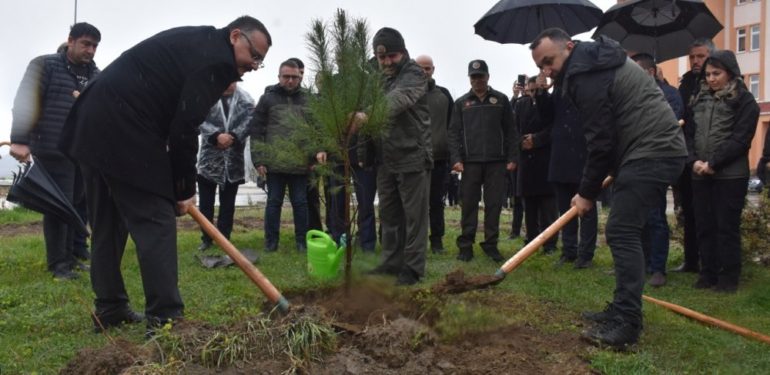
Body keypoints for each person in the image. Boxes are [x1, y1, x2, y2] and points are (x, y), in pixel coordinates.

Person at [59, 16, 271, 333]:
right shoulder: (214, 61)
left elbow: (177, 120)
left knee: (108, 224)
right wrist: (183, 188)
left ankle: (111, 308)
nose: (255, 65)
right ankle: (166, 318)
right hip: (123, 125)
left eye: (261, 61)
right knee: (156, 220)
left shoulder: (201, 43)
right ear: (235, 36)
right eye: (254, 55)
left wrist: (177, 184)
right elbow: (185, 129)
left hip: (93, 123)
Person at [530, 28, 686, 348]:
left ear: (569, 47)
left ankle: (628, 323)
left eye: (550, 61)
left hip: (653, 151)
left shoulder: (587, 72)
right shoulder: (592, 63)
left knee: (621, 230)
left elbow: (599, 140)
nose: (547, 70)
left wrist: (586, 192)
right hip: (644, 151)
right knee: (622, 229)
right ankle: (620, 308)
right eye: (541, 66)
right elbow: (609, 132)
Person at [10, 22, 101, 280]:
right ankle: (59, 265)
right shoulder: (45, 65)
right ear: (70, 40)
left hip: (82, 152)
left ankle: (73, 256)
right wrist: (19, 139)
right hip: (53, 147)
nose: (91, 50)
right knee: (58, 207)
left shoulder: (96, 75)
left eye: (94, 46)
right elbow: (26, 101)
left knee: (77, 206)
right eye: (86, 44)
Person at [355, 27, 432, 285]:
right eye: (382, 57)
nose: (387, 62)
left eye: (393, 56)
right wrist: (366, 153)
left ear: (403, 52)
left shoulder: (414, 74)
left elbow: (398, 100)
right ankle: (391, 263)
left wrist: (366, 115)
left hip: (412, 154)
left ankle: (412, 268)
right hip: (385, 158)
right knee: (389, 214)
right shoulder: (377, 77)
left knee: (414, 217)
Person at [689, 50, 759, 293]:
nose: (711, 78)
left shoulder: (745, 100)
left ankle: (728, 278)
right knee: (704, 226)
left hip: (730, 176)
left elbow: (741, 140)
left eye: (716, 73)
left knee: (725, 227)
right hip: (699, 173)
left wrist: (713, 163)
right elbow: (687, 134)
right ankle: (707, 274)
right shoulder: (698, 98)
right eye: (708, 74)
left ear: (730, 73)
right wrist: (694, 161)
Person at [448, 59, 518, 263]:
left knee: (494, 204)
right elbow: (453, 133)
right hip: (470, 163)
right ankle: (466, 245)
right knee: (468, 204)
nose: (477, 80)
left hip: (497, 162)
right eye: (474, 77)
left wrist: (513, 157)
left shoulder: (501, 100)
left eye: (481, 76)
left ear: (488, 76)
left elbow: (512, 131)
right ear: (470, 78)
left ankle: (491, 244)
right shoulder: (461, 103)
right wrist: (456, 159)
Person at [632, 53, 684, 287]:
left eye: (635, 71)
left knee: (655, 217)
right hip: (634, 161)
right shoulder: (631, 95)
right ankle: (640, 265)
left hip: (658, 161)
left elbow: (671, 123)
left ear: (650, 72)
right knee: (636, 217)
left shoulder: (670, 95)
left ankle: (658, 268)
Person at [536, 73, 597, 269]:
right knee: (565, 211)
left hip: (583, 157)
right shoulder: (558, 91)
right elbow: (546, 117)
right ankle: (568, 251)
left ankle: (585, 255)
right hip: (560, 158)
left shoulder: (588, 88)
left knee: (586, 209)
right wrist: (541, 93)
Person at [251, 59, 311, 253]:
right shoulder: (267, 99)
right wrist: (258, 160)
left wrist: (314, 156)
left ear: (300, 77)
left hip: (300, 163)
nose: (291, 81)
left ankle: (302, 242)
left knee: (301, 204)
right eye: (286, 77)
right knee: (274, 202)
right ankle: (271, 242)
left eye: (294, 77)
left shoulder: (309, 100)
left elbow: (316, 130)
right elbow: (257, 131)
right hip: (274, 163)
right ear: (279, 77)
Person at [196, 82, 255, 251]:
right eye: (226, 80)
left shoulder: (245, 99)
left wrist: (234, 137)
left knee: (227, 205)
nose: (229, 84)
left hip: (233, 159)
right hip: (208, 160)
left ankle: (224, 238)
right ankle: (206, 238)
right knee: (205, 204)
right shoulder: (206, 96)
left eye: (233, 80)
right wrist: (215, 136)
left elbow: (250, 120)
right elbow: (198, 117)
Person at [672, 39, 714, 274]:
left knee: (708, 214)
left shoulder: (716, 80)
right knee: (689, 211)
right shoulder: (687, 82)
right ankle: (690, 261)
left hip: (710, 157)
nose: (696, 61)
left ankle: (710, 262)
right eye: (692, 57)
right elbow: (681, 113)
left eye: (700, 56)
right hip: (688, 155)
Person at [514, 76, 558, 254]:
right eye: (530, 91)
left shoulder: (550, 104)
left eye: (535, 91)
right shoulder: (520, 105)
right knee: (529, 207)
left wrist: (537, 140)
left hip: (546, 160)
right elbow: (513, 129)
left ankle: (550, 243)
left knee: (548, 208)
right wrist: (522, 141)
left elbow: (553, 127)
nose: (532, 94)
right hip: (526, 161)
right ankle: (531, 240)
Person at [415, 54, 453, 254]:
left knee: (436, 203)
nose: (424, 72)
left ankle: (437, 241)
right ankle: (416, 243)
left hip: (439, 159)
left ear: (433, 70)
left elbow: (452, 127)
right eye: (420, 68)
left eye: (427, 68)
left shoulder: (444, 95)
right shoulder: (407, 94)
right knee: (415, 205)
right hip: (414, 160)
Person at [507, 78, 526, 239]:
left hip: (534, 157)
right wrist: (514, 95)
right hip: (517, 156)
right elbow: (508, 119)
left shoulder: (538, 101)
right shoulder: (516, 103)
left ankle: (539, 229)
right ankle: (515, 230)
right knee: (517, 196)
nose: (524, 87)